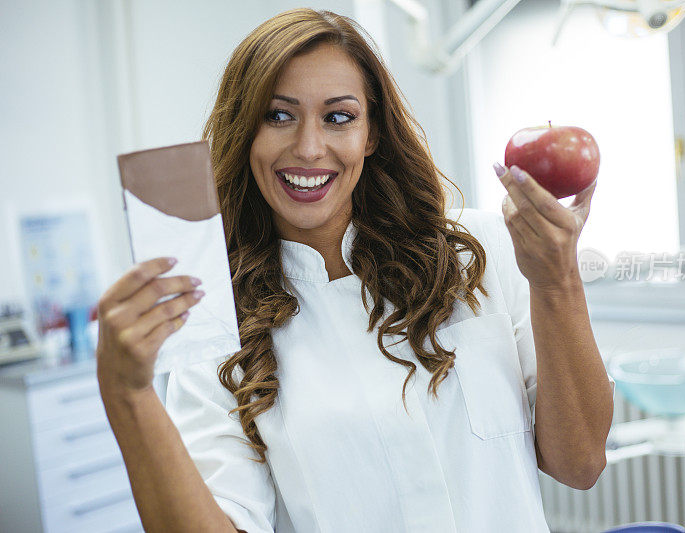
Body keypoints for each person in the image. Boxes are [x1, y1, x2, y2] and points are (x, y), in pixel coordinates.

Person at [96, 8, 614, 533]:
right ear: (244, 132)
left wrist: (557, 282)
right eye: (278, 115)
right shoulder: (216, 324)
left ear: (371, 133)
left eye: (338, 117)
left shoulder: (478, 250)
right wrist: (127, 394)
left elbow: (580, 463)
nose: (308, 148)